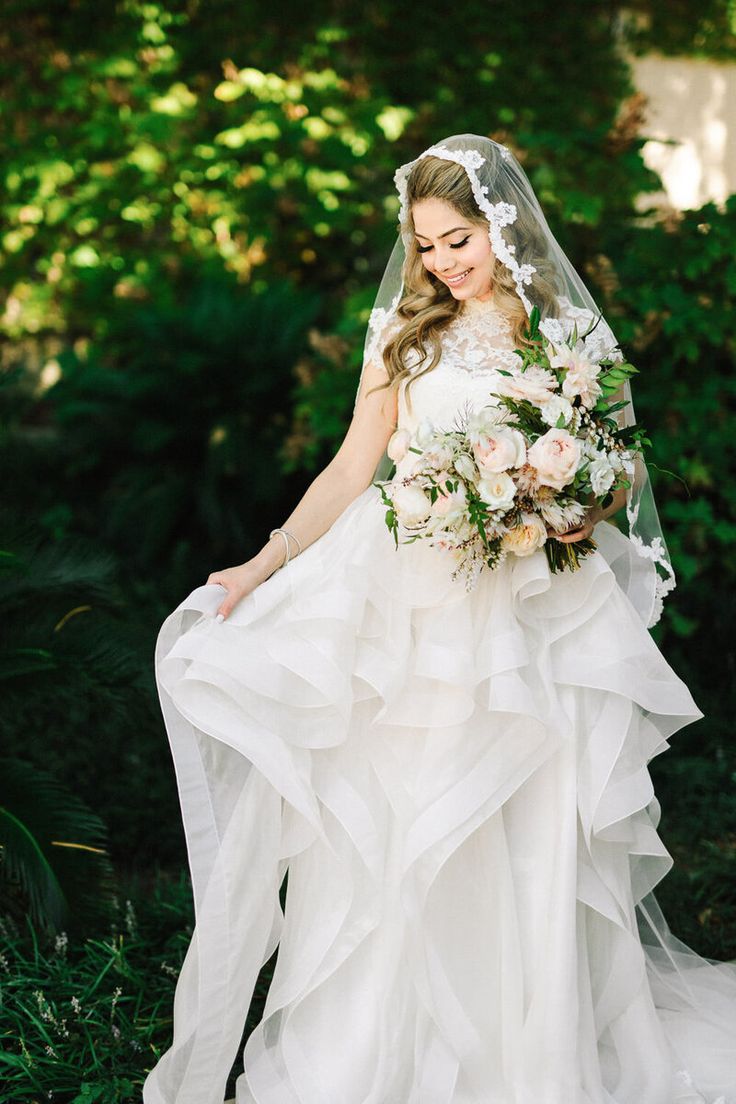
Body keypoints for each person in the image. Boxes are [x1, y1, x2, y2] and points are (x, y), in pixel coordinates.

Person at [144, 135, 736, 1104]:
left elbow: (617, 467)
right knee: (398, 826)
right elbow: (349, 471)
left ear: (501, 225)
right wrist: (258, 565)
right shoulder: (402, 336)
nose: (441, 262)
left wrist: (562, 500)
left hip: (527, 619)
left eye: (456, 239)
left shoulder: (563, 338)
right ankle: (384, 1052)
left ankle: (527, 1051)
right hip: (410, 616)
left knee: (525, 828)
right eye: (424, 246)